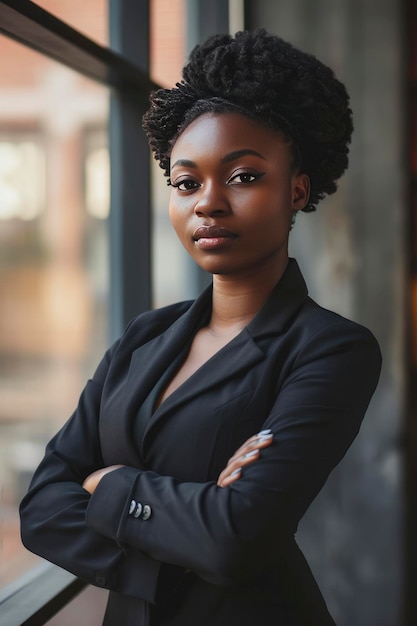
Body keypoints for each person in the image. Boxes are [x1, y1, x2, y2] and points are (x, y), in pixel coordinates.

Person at [20, 29, 381, 626]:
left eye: (242, 177)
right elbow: (40, 508)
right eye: (187, 183)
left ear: (296, 190)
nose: (207, 203)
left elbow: (233, 536)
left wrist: (107, 481)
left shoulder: (330, 349)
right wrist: (187, 524)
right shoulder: (144, 337)